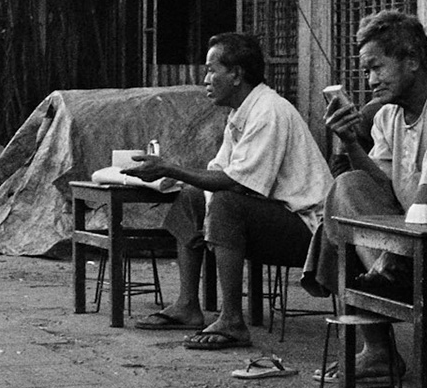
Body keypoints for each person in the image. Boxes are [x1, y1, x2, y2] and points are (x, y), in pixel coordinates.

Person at [301, 10, 427, 379]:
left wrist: (387, 246)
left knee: (350, 229)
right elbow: (381, 187)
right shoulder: (388, 116)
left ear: (412, 61)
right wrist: (348, 143)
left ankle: (381, 274)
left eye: (377, 68)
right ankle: (378, 350)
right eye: (366, 71)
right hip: (406, 246)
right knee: (346, 188)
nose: (370, 80)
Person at [125, 32, 331, 352]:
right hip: (278, 215)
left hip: (312, 231)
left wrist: (169, 169)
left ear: (236, 74)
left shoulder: (268, 111)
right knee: (192, 197)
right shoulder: (240, 112)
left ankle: (232, 320)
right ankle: (187, 305)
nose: (205, 78)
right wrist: (180, 180)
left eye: (211, 70)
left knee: (226, 204)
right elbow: (220, 172)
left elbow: (237, 184)